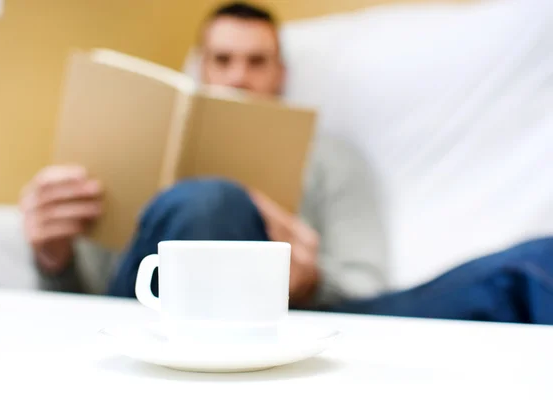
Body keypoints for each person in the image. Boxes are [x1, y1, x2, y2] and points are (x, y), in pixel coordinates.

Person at [19, 1, 388, 310]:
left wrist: (310, 282)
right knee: (210, 199)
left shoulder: (333, 157)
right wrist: (54, 259)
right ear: (200, 67)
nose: (238, 77)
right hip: (141, 313)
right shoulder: (141, 148)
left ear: (282, 74)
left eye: (257, 61)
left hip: (282, 316)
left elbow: (366, 290)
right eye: (222, 59)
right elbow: (90, 299)